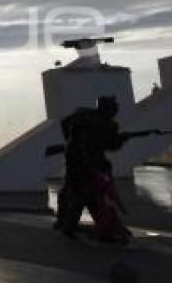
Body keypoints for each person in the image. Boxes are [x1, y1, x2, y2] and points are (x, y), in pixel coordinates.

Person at [55, 96, 131, 243]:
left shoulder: (82, 115)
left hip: (75, 161)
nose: (116, 111)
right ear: (106, 109)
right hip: (89, 164)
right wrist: (122, 138)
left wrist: (70, 143)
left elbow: (64, 123)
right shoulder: (107, 125)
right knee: (88, 196)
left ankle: (67, 223)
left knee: (78, 193)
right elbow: (112, 145)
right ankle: (71, 227)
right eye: (114, 108)